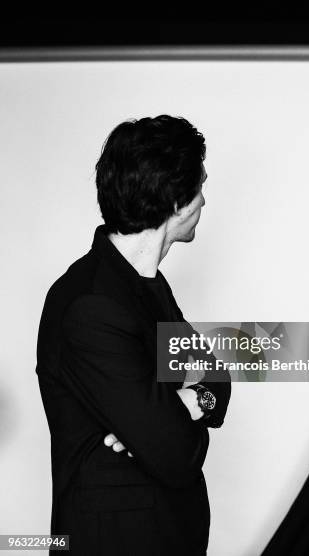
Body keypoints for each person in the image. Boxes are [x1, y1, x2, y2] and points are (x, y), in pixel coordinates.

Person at [36, 115, 231, 555]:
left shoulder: (148, 286)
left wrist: (188, 402)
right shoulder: (90, 305)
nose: (204, 200)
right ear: (177, 201)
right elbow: (175, 455)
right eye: (200, 186)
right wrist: (173, 417)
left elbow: (216, 377)